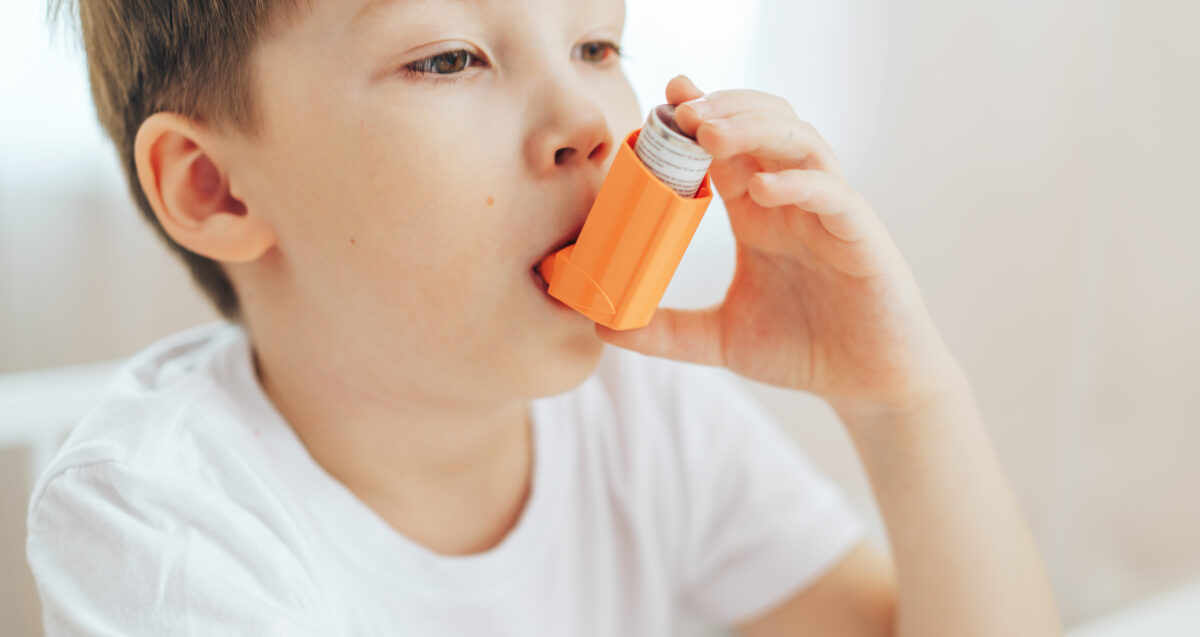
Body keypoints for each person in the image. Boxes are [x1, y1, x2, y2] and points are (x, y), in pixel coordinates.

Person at [27, 0, 1061, 634]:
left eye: (597, 43)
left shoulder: (643, 410)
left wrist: (899, 396)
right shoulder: (152, 514)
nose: (588, 125)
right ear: (216, 188)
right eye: (448, 57)